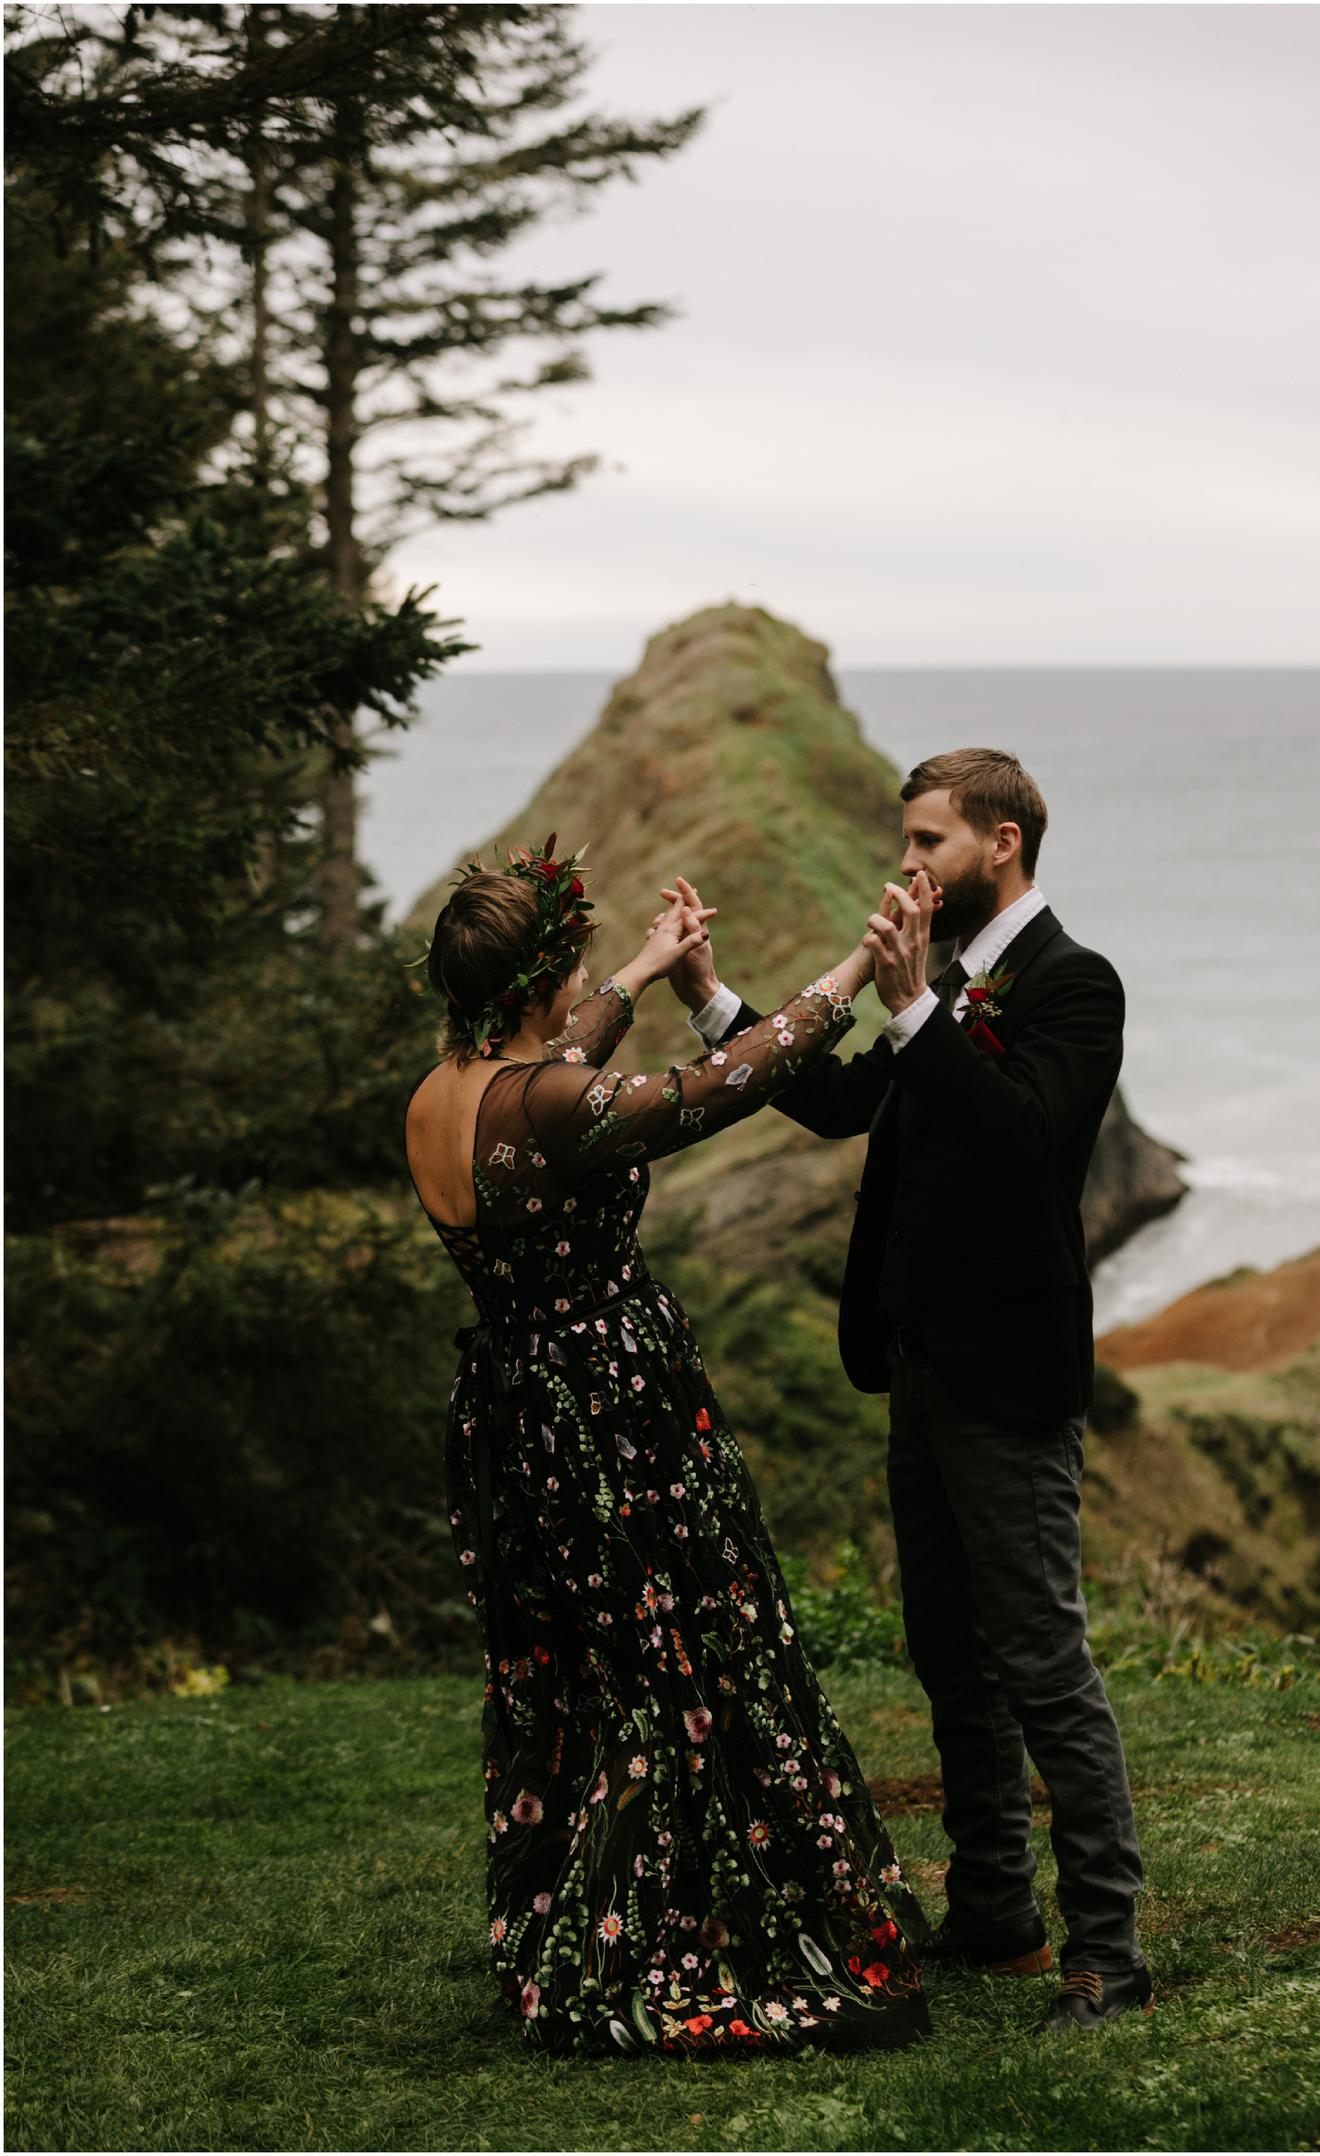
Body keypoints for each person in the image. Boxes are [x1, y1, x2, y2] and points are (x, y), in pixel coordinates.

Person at [403, 834, 932, 2059]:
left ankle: (572, 1927)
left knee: (576, 1669)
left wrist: (644, 966)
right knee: (691, 1647)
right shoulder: (549, 1103)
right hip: (611, 1405)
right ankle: (679, 1928)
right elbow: (730, 1083)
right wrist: (860, 961)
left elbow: (566, 1050)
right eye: (576, 966)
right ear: (534, 982)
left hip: (513, 1409)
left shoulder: (447, 1093)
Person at [669, 749, 1153, 2034]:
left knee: (1042, 1659)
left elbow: (1026, 1135)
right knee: (949, 1650)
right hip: (919, 1366)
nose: (907, 863)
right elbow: (834, 1106)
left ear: (1000, 845)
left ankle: (1107, 1946)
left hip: (1009, 1370)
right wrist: (716, 996)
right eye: (907, 839)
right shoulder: (942, 985)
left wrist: (920, 1012)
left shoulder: (1075, 983)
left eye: (929, 841)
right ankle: (995, 1906)